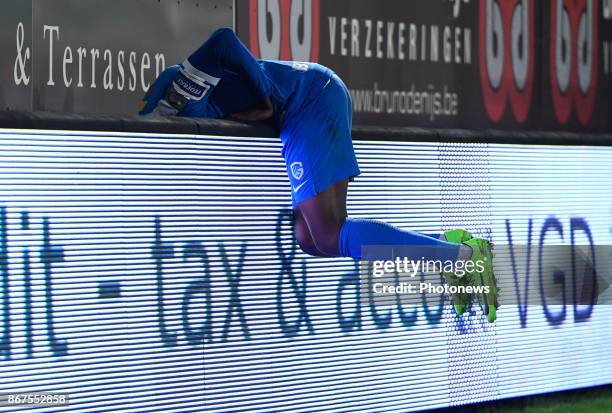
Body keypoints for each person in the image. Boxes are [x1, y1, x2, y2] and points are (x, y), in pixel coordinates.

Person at [139, 28, 499, 322]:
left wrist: (264, 98)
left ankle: (464, 258)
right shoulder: (163, 109)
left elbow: (222, 39)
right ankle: (448, 245)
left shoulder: (174, 88)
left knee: (328, 234)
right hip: (300, 110)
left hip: (311, 99)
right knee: (309, 241)